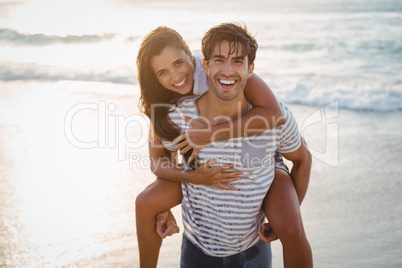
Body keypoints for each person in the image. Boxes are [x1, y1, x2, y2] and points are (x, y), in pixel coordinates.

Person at [135, 24, 313, 268]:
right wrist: (180, 189)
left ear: (192, 56)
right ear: (207, 64)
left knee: (292, 228)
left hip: (254, 225)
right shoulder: (173, 110)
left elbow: (274, 114)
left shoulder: (227, 78)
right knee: (146, 202)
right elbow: (159, 158)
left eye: (178, 64)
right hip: (197, 238)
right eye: (163, 72)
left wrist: (210, 134)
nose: (176, 77)